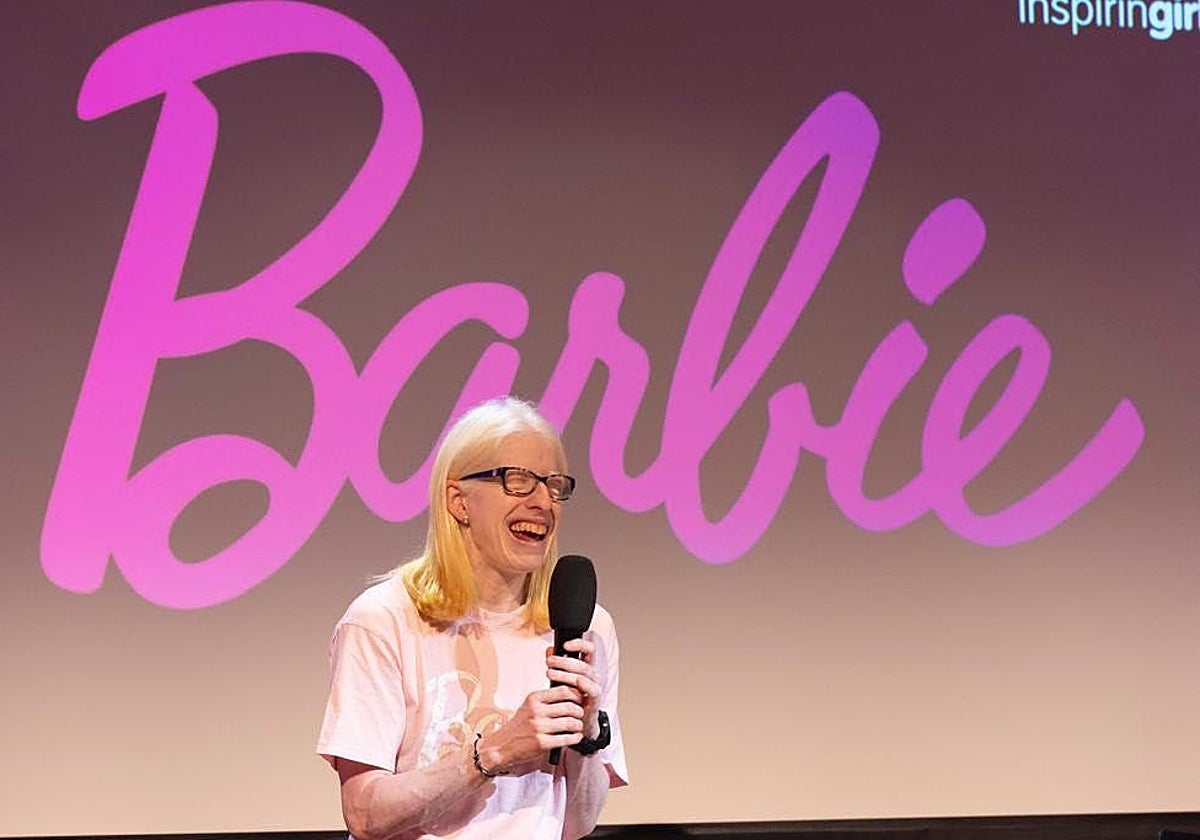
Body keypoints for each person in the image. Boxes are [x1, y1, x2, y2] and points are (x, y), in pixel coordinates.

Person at [317, 396, 628, 840]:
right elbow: (365, 815)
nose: (544, 502)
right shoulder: (382, 620)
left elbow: (577, 825)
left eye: (554, 485)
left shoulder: (587, 628)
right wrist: (494, 753)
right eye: (518, 481)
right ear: (459, 501)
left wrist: (587, 737)